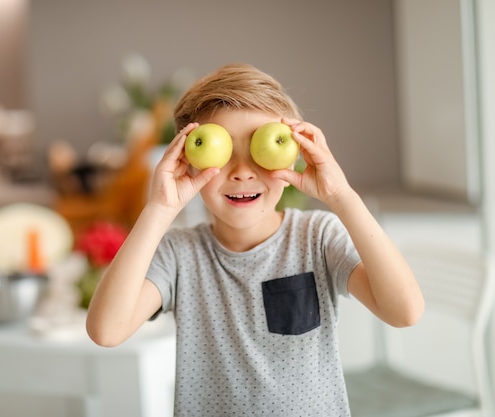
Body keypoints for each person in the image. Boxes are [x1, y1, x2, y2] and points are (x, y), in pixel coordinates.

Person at [86, 63, 425, 416]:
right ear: (187, 161)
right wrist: (159, 208)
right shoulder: (179, 254)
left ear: (293, 154)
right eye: (223, 151)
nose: (243, 171)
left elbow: (405, 311)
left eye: (260, 150)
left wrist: (341, 196)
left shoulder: (316, 237)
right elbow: (106, 331)